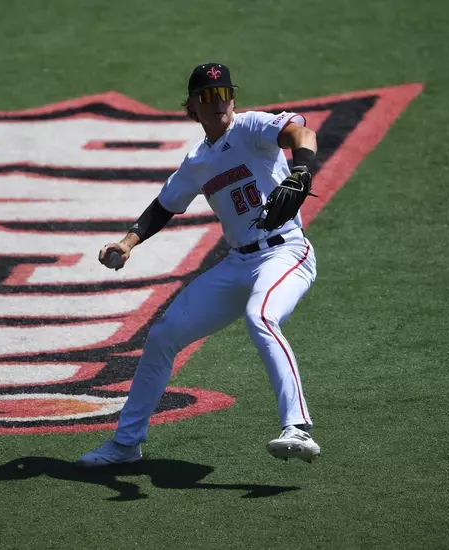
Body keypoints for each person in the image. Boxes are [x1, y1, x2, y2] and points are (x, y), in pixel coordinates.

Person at [77, 62, 321, 467]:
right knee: (163, 335)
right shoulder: (198, 160)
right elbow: (164, 206)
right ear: (192, 106)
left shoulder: (250, 127)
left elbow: (302, 133)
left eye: (224, 93)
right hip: (238, 263)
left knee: (261, 317)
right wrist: (127, 242)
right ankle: (126, 444)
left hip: (285, 252)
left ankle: (296, 427)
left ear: (233, 98)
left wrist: (300, 171)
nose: (218, 102)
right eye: (207, 97)